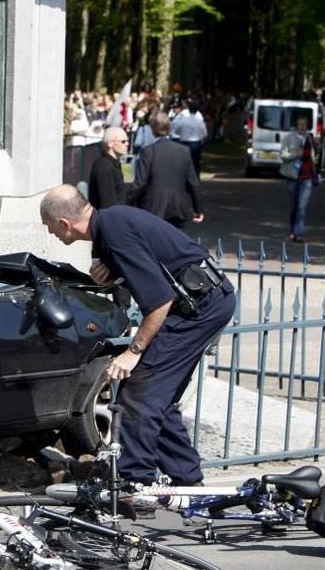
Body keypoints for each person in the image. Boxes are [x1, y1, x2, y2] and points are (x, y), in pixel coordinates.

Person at [39, 184, 235, 487]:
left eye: (49, 225)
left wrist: (134, 351)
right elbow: (150, 271)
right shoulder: (109, 226)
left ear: (64, 223)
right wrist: (110, 277)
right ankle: (186, 480)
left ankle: (134, 482)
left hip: (198, 308)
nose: (49, 232)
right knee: (158, 395)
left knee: (139, 395)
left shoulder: (114, 235)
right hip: (201, 301)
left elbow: (159, 300)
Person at [131, 112, 203, 229]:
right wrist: (198, 208)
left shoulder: (148, 152)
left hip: (153, 208)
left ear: (153, 128)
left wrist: (127, 203)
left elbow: (140, 183)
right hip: (178, 207)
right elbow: (193, 182)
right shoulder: (183, 151)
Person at [279, 116, 317, 243]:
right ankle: (293, 230)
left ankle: (298, 233)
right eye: (300, 125)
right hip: (293, 176)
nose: (302, 127)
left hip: (307, 176)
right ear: (296, 126)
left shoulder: (310, 138)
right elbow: (283, 155)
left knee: (302, 207)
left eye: (304, 125)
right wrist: (295, 154)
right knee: (294, 206)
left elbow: (315, 154)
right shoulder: (289, 138)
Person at [88, 127, 129, 209]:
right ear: (110, 144)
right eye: (123, 141)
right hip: (111, 217)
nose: (127, 144)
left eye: (127, 141)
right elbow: (107, 202)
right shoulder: (104, 166)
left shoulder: (118, 164)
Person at [170, 100, 208, 176]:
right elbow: (205, 133)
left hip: (184, 142)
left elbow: (176, 130)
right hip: (196, 143)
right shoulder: (199, 121)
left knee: (184, 162)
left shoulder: (183, 120)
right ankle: (195, 178)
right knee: (195, 163)